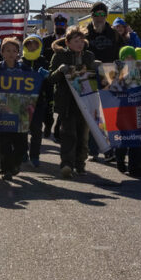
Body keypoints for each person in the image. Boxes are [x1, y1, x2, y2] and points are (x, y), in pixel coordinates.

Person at [48, 26, 99, 179]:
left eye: (82, 40)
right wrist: (59, 71)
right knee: (69, 134)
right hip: (67, 102)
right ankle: (67, 165)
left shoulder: (89, 56)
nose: (80, 44)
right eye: (76, 41)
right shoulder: (59, 56)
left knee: (83, 136)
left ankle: (80, 164)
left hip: (86, 101)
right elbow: (50, 78)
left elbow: (94, 78)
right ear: (68, 42)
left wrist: (97, 68)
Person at [0, 37, 29, 180]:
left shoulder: (23, 68)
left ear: (18, 53)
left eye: (14, 51)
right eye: (7, 50)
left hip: (20, 111)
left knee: (21, 144)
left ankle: (15, 164)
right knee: (4, 143)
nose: (11, 53)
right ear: (2, 52)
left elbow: (33, 81)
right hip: (2, 111)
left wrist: (40, 74)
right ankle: (6, 169)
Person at [85, 2, 122, 162]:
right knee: (93, 113)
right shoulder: (84, 33)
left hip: (110, 76)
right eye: (96, 14)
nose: (99, 18)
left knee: (109, 114)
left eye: (102, 14)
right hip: (89, 76)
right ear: (92, 15)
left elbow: (123, 51)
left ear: (106, 16)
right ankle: (93, 150)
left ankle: (110, 149)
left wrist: (122, 63)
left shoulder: (114, 33)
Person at [114, 46, 141, 177]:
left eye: (132, 57)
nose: (130, 59)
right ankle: (120, 160)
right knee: (124, 138)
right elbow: (113, 88)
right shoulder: (119, 69)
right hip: (125, 108)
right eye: (126, 57)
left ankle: (135, 166)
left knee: (139, 139)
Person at [19, 35, 52, 167]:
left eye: (35, 44)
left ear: (40, 46)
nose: (32, 46)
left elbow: (50, 84)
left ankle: (35, 156)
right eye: (29, 44)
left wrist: (47, 77)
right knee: (21, 130)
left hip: (39, 102)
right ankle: (22, 153)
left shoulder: (44, 62)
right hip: (22, 102)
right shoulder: (20, 62)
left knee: (36, 130)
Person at [42, 13, 69, 141]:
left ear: (66, 25)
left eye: (62, 24)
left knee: (63, 106)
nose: (59, 26)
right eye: (57, 24)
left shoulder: (68, 42)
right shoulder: (46, 40)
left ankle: (58, 129)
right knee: (48, 106)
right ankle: (48, 124)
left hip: (63, 78)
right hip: (48, 77)